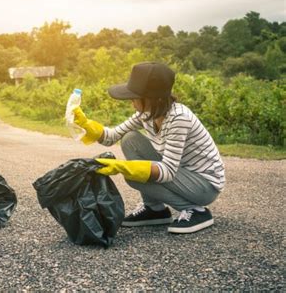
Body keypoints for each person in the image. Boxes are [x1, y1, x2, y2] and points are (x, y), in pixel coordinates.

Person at [73, 62, 225, 234]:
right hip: (182, 174)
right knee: (130, 139)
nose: (131, 100)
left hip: (204, 185)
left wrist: (125, 167)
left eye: (135, 96)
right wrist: (84, 124)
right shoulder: (147, 113)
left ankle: (197, 211)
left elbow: (167, 171)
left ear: (153, 98)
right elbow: (111, 137)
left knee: (134, 177)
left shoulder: (178, 118)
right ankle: (154, 209)